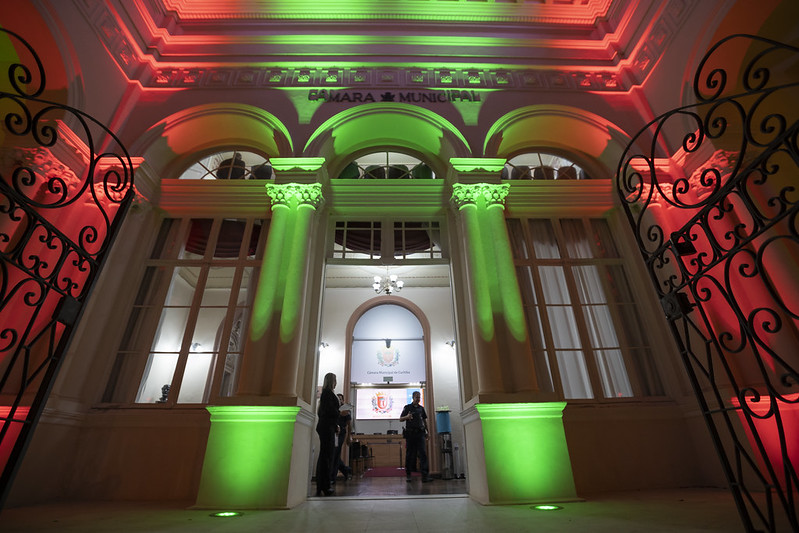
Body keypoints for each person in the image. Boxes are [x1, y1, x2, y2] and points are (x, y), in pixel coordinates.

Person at [399, 390, 432, 482]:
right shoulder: (407, 407)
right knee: (410, 454)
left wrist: (428, 432)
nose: (418, 399)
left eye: (419, 397)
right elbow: (400, 419)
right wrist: (407, 417)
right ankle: (408, 474)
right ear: (413, 398)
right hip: (410, 434)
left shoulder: (421, 409)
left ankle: (425, 475)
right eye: (417, 397)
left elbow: (425, 421)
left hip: (420, 433)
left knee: (423, 454)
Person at [315, 372, 339, 496]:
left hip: (327, 427)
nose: (336, 383)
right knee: (327, 457)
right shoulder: (327, 394)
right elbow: (330, 412)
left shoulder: (327, 394)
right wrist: (341, 412)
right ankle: (324, 485)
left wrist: (336, 425)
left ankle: (322, 484)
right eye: (335, 380)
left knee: (326, 456)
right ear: (331, 381)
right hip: (326, 428)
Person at [331, 393, 353, 482]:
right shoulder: (334, 408)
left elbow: (349, 425)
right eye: (338, 399)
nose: (340, 401)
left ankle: (332, 477)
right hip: (334, 432)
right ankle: (345, 469)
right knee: (334, 454)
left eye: (341, 399)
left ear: (343, 400)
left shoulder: (345, 410)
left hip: (341, 433)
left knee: (336, 453)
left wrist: (349, 436)